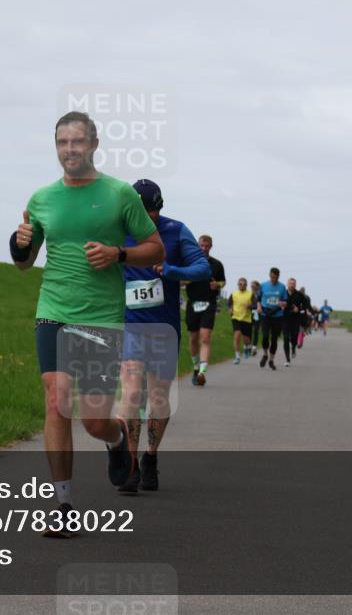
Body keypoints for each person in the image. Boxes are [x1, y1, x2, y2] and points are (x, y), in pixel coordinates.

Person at [11, 111, 164, 536]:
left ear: (94, 144)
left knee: (93, 420)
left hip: (101, 317)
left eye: (77, 142)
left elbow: (155, 248)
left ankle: (115, 439)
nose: (70, 150)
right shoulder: (42, 198)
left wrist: (119, 254)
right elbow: (24, 263)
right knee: (56, 399)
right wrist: (19, 243)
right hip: (53, 308)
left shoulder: (119, 194)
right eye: (62, 143)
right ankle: (63, 505)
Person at [118, 180, 210, 493]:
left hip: (164, 328)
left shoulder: (176, 231)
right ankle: (129, 465)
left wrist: (172, 270)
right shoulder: (116, 231)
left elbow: (202, 269)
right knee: (131, 394)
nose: (152, 216)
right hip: (130, 327)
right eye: (146, 211)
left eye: (156, 209)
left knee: (158, 398)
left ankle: (150, 457)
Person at [184, 236, 225, 385]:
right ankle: (196, 368)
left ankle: (202, 372)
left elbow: (223, 281)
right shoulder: (189, 262)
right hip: (193, 303)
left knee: (206, 337)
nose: (204, 248)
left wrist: (217, 285)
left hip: (209, 303)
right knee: (193, 339)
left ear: (211, 246)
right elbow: (180, 280)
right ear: (197, 245)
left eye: (207, 246)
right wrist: (186, 279)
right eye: (202, 245)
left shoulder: (216, 264)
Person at [257, 267, 288, 371]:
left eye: (275, 277)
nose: (273, 279)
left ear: (278, 277)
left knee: (274, 338)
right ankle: (265, 354)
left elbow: (285, 301)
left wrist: (283, 303)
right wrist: (259, 307)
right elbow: (258, 298)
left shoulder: (282, 287)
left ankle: (271, 360)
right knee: (265, 336)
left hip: (277, 315)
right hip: (265, 314)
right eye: (272, 277)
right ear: (269, 275)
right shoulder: (263, 285)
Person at [228, 277, 255, 364]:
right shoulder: (234, 294)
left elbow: (255, 305)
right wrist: (230, 309)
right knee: (237, 335)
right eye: (240, 284)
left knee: (247, 339)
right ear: (238, 285)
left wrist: (250, 306)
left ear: (246, 285)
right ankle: (237, 357)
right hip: (236, 317)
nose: (242, 286)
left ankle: (247, 348)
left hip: (246, 319)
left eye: (244, 284)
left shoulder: (250, 294)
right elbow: (229, 304)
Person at [283, 277, 307, 366]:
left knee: (294, 339)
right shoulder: (283, 293)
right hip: (285, 319)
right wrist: (280, 306)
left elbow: (305, 306)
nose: (292, 285)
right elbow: (279, 302)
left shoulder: (299, 295)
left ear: (295, 285)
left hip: (295, 320)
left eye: (293, 284)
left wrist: (299, 309)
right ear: (287, 284)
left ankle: (293, 348)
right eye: (290, 283)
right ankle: (287, 359)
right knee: (286, 339)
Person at [249, 280, 262, 356]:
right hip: (250, 313)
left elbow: (261, 304)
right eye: (251, 286)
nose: (252, 287)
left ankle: (254, 347)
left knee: (256, 331)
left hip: (258, 314)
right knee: (249, 330)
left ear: (257, 286)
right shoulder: (249, 294)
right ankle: (249, 346)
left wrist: (253, 306)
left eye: (253, 286)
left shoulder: (260, 294)